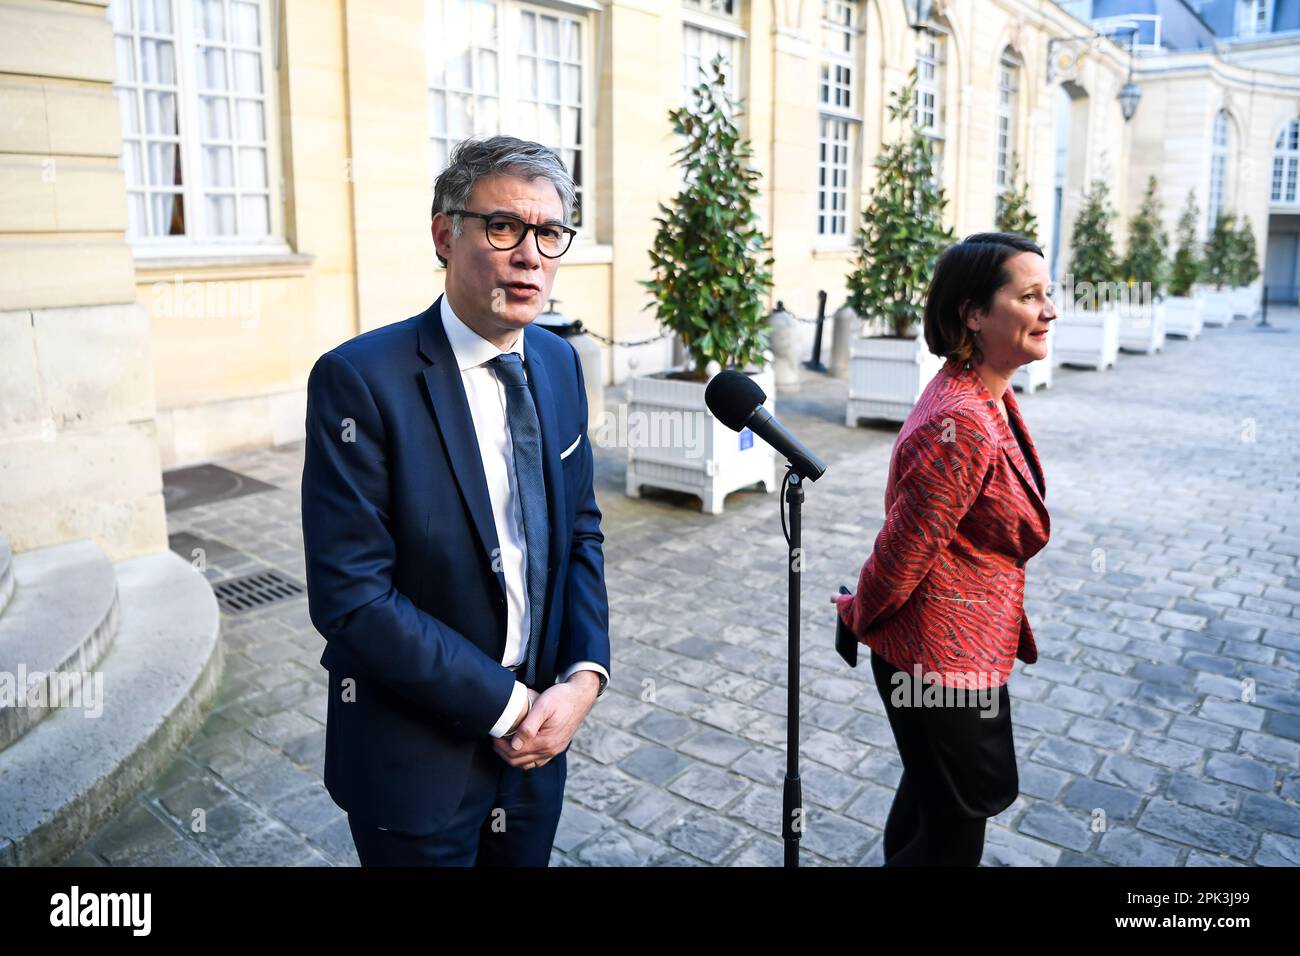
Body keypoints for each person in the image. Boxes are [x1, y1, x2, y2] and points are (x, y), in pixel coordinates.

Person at [301, 136, 610, 866]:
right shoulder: (359, 381)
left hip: (537, 755)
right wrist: (510, 708)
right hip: (413, 763)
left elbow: (582, 533)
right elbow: (353, 600)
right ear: (445, 234)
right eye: (503, 227)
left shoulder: (561, 362)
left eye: (550, 233)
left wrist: (584, 676)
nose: (531, 255)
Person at [835, 232, 1054, 866]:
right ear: (974, 313)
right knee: (953, 845)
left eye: (1049, 294)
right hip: (943, 664)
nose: (1050, 310)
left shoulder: (985, 393)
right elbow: (905, 550)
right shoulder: (959, 421)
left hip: (956, 653)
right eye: (1030, 296)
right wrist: (857, 612)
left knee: (929, 811)